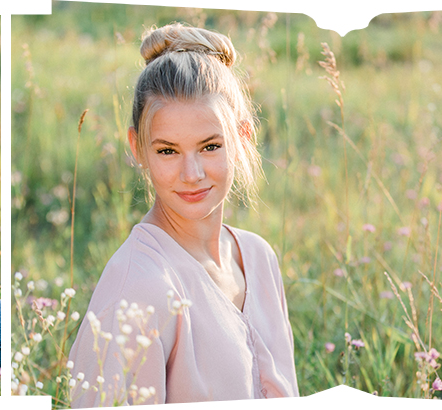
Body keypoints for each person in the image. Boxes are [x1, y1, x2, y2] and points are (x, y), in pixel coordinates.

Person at [67, 23, 298, 406]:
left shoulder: (259, 257)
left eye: (209, 146)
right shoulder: (137, 289)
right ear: (138, 148)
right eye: (167, 151)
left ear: (242, 138)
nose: (191, 175)